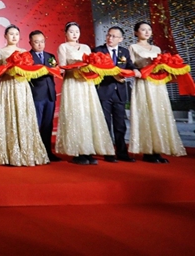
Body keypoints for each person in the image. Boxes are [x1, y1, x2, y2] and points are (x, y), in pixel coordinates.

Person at [0, 25, 49, 166]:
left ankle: (25, 152)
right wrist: (9, 67)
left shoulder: (24, 52)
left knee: (23, 115)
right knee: (8, 116)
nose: (14, 37)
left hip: (22, 87)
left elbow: (29, 72)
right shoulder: (0, 52)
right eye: (11, 34)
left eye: (16, 34)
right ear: (5, 36)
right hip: (7, 87)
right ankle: (7, 154)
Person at [56, 22, 115, 165]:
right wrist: (76, 66)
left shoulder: (86, 47)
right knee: (75, 115)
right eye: (71, 31)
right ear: (66, 33)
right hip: (72, 83)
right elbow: (62, 67)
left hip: (86, 84)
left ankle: (89, 150)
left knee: (88, 115)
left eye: (77, 31)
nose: (74, 34)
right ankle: (77, 151)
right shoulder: (63, 47)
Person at [128, 21, 186, 162]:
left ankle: (159, 150)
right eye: (143, 29)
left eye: (149, 29)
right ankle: (148, 151)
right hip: (143, 83)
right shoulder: (133, 47)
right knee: (146, 113)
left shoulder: (156, 48)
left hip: (158, 85)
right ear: (136, 32)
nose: (147, 32)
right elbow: (130, 65)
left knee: (159, 113)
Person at [94, 26, 141, 162]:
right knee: (106, 124)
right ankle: (108, 152)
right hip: (104, 91)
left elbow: (129, 65)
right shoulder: (98, 51)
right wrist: (113, 75)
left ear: (121, 39)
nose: (110, 38)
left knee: (120, 124)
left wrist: (135, 70)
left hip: (119, 92)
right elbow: (96, 69)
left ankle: (122, 153)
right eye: (109, 35)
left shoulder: (124, 52)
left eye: (114, 36)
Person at [28, 30, 62, 162]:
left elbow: (56, 71)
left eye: (42, 42)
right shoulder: (27, 57)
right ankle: (35, 153)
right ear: (30, 43)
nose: (40, 45)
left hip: (50, 95)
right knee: (35, 125)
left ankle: (48, 152)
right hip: (36, 94)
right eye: (36, 42)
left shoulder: (50, 56)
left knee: (48, 125)